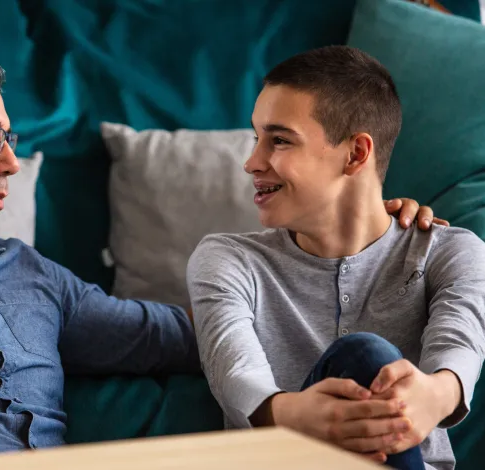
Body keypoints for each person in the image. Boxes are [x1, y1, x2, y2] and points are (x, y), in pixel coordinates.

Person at [0, 44, 440, 470]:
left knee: (364, 362)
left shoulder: (24, 274)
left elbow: (202, 336)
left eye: (9, 138)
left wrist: (374, 244)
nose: (10, 162)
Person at [187, 45, 485, 470]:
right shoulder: (228, 261)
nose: (252, 162)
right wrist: (294, 415)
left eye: (280, 140)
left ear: (356, 154)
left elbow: (460, 347)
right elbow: (235, 372)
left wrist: (431, 397)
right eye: (258, 138)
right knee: (364, 357)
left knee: (366, 359)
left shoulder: (450, 251)